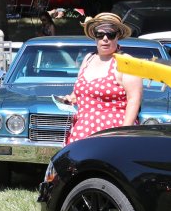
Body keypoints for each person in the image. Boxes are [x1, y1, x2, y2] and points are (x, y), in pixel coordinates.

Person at [58, 12, 142, 144]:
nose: (105, 38)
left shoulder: (126, 62)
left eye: (110, 34)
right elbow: (78, 94)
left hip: (112, 134)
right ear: (94, 36)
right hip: (81, 131)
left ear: (118, 36)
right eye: (100, 34)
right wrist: (70, 99)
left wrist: (123, 134)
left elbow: (134, 100)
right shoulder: (88, 59)